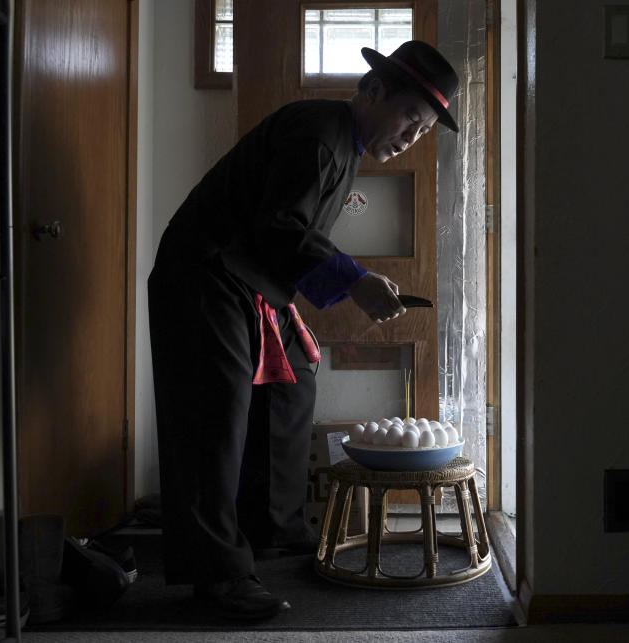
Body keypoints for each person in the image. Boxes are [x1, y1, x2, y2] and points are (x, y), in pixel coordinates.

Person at [147, 40, 459, 621]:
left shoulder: (344, 144)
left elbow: (286, 229)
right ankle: (217, 578)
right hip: (206, 271)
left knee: (293, 384)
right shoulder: (321, 132)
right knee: (213, 421)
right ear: (374, 91)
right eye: (411, 120)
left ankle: (272, 534)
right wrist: (357, 279)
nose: (412, 137)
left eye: (423, 132)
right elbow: (279, 226)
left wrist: (317, 290)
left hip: (248, 280)